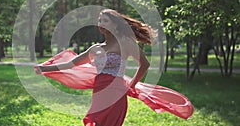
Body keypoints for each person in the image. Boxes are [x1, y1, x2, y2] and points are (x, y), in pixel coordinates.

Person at [34, 9, 194, 126]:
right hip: (99, 93)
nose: (101, 24)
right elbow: (71, 64)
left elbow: (144, 64)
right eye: (99, 21)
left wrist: (130, 86)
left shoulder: (125, 43)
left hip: (116, 93)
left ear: (115, 25)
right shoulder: (96, 48)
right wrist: (44, 68)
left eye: (105, 21)